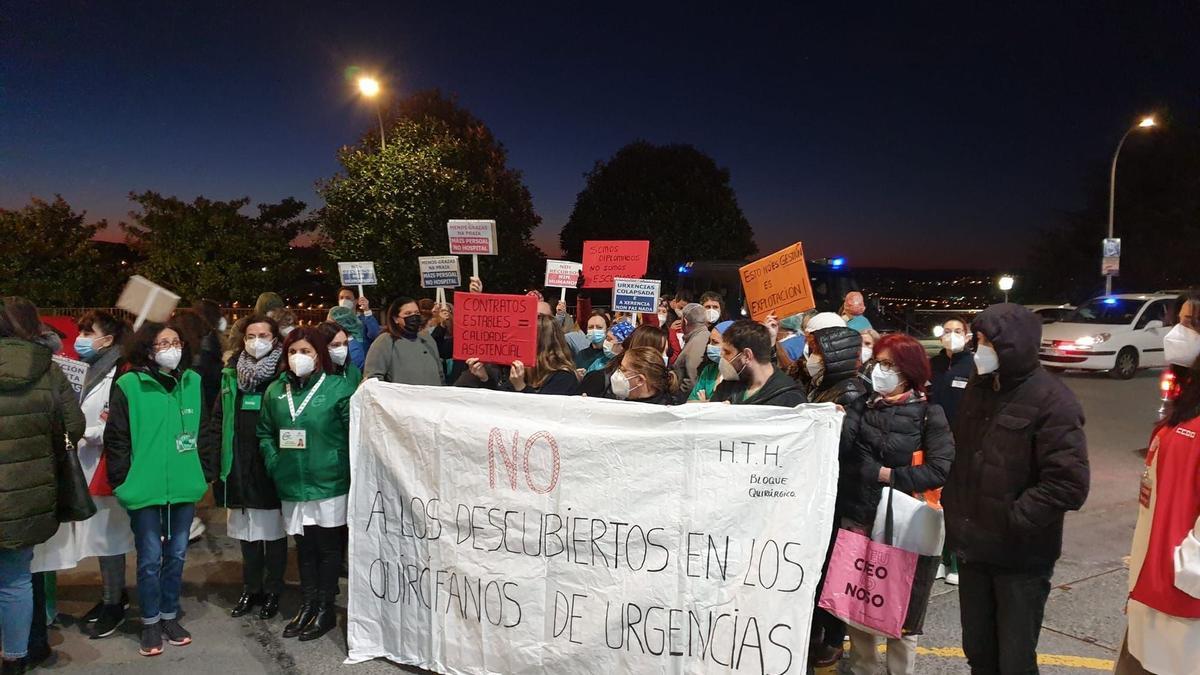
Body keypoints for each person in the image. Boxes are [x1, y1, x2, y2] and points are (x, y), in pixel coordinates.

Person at [943, 304, 1089, 675]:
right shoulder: (980, 387)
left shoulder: (1054, 401)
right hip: (974, 549)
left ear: (1014, 347)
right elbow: (966, 455)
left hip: (1020, 559)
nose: (978, 350)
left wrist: (1013, 519)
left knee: (1015, 661)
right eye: (977, 341)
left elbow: (1068, 484)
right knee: (978, 651)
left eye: (985, 341)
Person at [835, 332, 955, 674]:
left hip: (905, 526)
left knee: (902, 607)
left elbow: (939, 469)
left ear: (908, 370)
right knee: (856, 599)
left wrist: (889, 476)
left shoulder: (930, 414)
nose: (879, 371)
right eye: (877, 362)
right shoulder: (861, 405)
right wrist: (833, 419)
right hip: (859, 516)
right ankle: (863, 667)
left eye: (888, 364)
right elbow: (847, 453)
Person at [105, 319, 218, 657]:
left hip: (184, 487)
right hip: (143, 488)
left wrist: (204, 472)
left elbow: (206, 429)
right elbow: (117, 438)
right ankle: (150, 620)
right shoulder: (129, 384)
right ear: (147, 350)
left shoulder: (193, 381)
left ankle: (170, 615)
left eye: (175, 342)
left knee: (178, 554)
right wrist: (122, 481)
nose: (172, 349)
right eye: (162, 344)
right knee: (150, 557)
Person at [31, 311, 135, 641]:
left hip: (108, 465)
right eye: (81, 331)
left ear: (110, 338)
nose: (82, 338)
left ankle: (115, 601)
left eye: (90, 331)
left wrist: (87, 431)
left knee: (110, 538)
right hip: (84, 463)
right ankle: (109, 597)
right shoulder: (82, 368)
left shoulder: (122, 371)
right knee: (99, 537)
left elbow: (121, 422)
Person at [0, 297, 86, 673]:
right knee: (17, 577)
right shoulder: (48, 371)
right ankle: (15, 658)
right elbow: (73, 427)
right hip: (28, 493)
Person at [1116, 305, 1200, 675]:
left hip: (1182, 600)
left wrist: (1184, 567)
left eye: (1188, 323)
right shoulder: (1188, 402)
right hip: (1155, 590)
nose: (1175, 333)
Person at [257, 327, 355, 641]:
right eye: (293, 352)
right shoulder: (275, 391)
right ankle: (308, 603)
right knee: (303, 546)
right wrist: (274, 463)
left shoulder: (338, 388)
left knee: (326, 548)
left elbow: (355, 434)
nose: (299, 358)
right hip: (291, 480)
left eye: (307, 352)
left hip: (328, 480)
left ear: (319, 355)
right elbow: (265, 433)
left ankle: (325, 607)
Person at [200, 315, 288, 622]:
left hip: (268, 463)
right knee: (247, 532)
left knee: (274, 532)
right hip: (237, 462)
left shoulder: (283, 375)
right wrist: (211, 461)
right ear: (243, 338)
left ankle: (274, 588)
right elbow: (216, 420)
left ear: (276, 339)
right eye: (251, 335)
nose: (257, 341)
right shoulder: (230, 374)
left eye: (264, 334)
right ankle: (252, 588)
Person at [927, 316, 973, 585]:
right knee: (933, 503)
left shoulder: (974, 366)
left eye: (958, 331)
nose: (952, 335)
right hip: (933, 441)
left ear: (967, 336)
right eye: (947, 331)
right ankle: (938, 558)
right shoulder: (933, 365)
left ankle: (955, 560)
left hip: (962, 443)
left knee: (957, 503)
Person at [465, 316, 580, 395]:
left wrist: (521, 387)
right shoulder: (526, 371)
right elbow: (499, 400)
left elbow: (543, 412)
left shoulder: (564, 377)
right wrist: (485, 378)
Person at [709, 320, 807, 406]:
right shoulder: (728, 386)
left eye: (727, 352)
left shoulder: (789, 398)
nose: (722, 356)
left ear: (747, 355)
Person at [363, 297, 444, 386]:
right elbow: (373, 378)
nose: (414, 316)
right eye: (408, 313)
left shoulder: (427, 338)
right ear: (396, 319)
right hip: (400, 398)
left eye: (416, 313)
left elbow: (439, 372)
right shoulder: (385, 341)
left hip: (432, 397)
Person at [806, 325, 869, 406]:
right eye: (813, 351)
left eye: (817, 352)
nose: (813, 356)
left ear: (835, 356)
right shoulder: (820, 383)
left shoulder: (849, 392)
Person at [604, 346, 680, 404]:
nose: (617, 372)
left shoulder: (662, 413)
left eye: (623, 370)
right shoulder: (618, 400)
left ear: (640, 380)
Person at [688, 321, 733, 401]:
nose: (709, 345)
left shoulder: (740, 375)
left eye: (715, 342)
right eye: (709, 341)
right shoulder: (709, 370)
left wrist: (706, 403)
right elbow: (690, 402)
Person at [673, 303, 711, 396]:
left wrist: (676, 399)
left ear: (684, 321)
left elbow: (691, 381)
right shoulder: (703, 336)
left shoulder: (697, 342)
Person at [327, 305, 370, 371]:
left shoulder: (354, 350)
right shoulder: (351, 344)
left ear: (341, 324)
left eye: (330, 324)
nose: (326, 328)